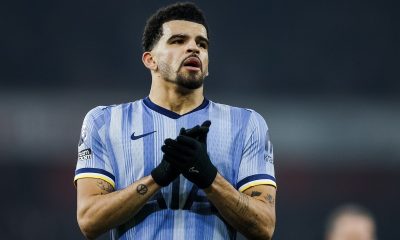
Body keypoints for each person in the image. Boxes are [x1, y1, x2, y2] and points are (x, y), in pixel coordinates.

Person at [74, 2, 276, 239]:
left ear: (208, 65)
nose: (194, 48)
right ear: (150, 60)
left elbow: (264, 227)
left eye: (202, 44)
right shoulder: (105, 122)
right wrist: (157, 178)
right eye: (178, 41)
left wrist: (209, 177)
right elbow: (89, 220)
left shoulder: (247, 125)